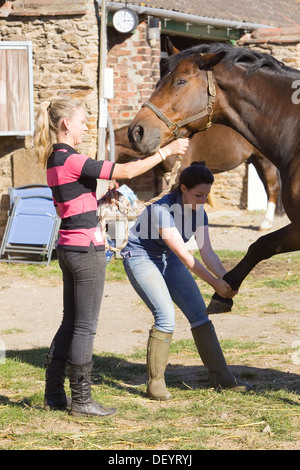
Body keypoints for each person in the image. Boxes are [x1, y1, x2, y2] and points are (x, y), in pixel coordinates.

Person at [34, 98, 189, 417]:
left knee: (70, 322)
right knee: (84, 327)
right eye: (81, 121)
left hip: (68, 246)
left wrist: (99, 200)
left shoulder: (53, 158)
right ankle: (81, 400)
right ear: (66, 125)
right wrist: (166, 152)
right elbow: (128, 170)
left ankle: (54, 394)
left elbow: (72, 201)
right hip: (86, 249)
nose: (85, 126)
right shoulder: (73, 159)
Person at [121, 162, 252, 401]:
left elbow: (207, 252)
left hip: (167, 258)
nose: (203, 200)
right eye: (198, 194)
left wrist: (226, 279)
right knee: (165, 315)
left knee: (199, 314)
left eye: (206, 195)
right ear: (183, 188)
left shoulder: (199, 212)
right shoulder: (162, 210)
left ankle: (222, 378)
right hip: (141, 256)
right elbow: (184, 255)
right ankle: (155, 384)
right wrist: (214, 284)